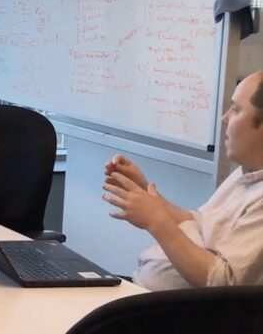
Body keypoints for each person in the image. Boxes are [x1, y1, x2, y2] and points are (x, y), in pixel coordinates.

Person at [102, 71, 263, 290]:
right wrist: (146, 195)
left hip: (176, 310)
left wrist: (156, 221)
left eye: (236, 109)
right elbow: (199, 224)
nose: (225, 118)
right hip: (146, 294)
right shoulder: (246, 172)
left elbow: (223, 283)